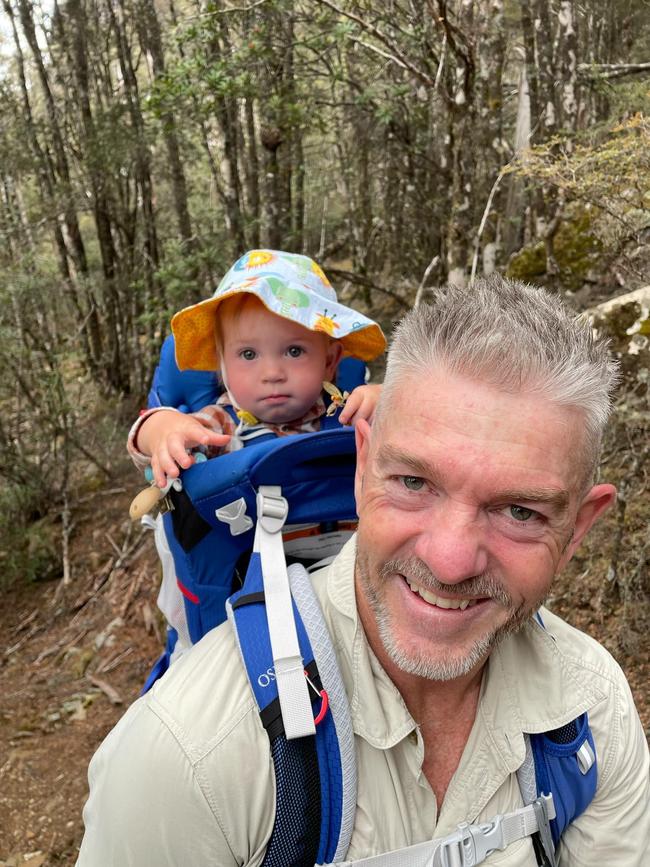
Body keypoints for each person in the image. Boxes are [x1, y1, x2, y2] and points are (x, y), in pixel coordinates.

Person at [78, 276, 650, 866]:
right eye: (412, 482)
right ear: (362, 466)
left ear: (578, 528)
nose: (449, 562)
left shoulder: (593, 709)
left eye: (519, 511)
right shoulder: (187, 757)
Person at [128, 248, 386, 488]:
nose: (272, 373)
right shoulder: (220, 427)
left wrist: (386, 406)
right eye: (248, 354)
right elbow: (148, 441)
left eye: (294, 351)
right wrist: (159, 429)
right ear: (223, 364)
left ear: (329, 362)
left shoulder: (349, 414)